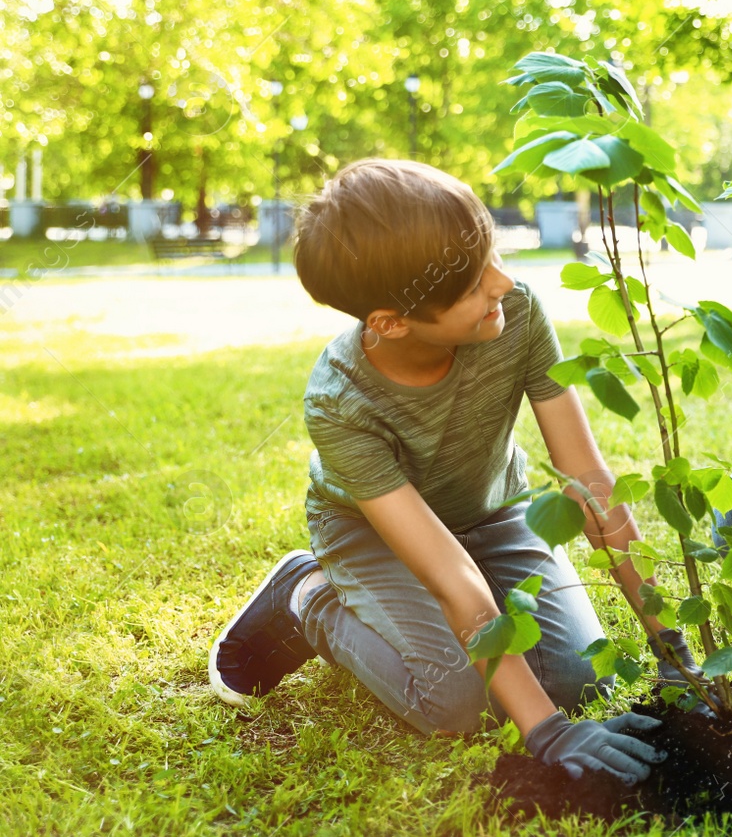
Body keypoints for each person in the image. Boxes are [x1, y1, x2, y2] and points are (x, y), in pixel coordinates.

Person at [207, 159, 693, 784]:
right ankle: (307, 596)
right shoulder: (340, 401)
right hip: (371, 532)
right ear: (390, 322)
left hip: (493, 509)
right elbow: (449, 576)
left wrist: (671, 647)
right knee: (457, 705)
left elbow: (587, 477)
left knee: (576, 681)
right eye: (471, 284)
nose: (502, 282)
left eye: (491, 252)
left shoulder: (514, 313)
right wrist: (545, 733)